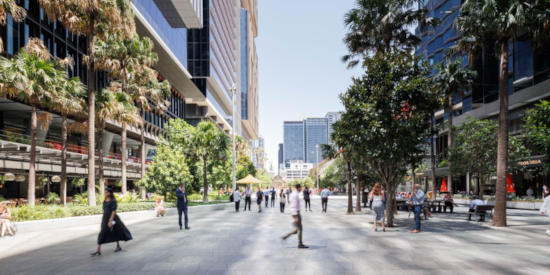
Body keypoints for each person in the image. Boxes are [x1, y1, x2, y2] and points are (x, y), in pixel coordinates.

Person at [91, 187, 132, 256]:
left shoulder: (113, 201)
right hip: (105, 218)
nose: (105, 193)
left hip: (113, 219)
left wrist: (110, 220)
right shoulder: (105, 200)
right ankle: (98, 249)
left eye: (106, 192)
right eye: (105, 192)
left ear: (110, 193)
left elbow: (113, 211)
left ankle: (117, 246)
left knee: (115, 231)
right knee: (102, 232)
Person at [282, 184, 308, 249]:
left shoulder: (293, 194)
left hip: (295, 213)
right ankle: (300, 244)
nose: (301, 189)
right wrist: (295, 216)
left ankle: (286, 236)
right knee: (300, 229)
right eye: (301, 188)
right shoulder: (295, 195)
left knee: (298, 229)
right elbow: (293, 205)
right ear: (298, 188)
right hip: (296, 213)